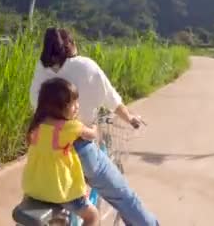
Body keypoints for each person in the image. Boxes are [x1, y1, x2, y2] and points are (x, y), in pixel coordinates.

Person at [29, 27, 159, 226]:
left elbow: (34, 103)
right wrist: (130, 118)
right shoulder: (86, 66)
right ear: (71, 44)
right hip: (80, 147)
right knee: (124, 197)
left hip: (45, 148)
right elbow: (112, 100)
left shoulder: (41, 67)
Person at [22, 77, 100, 226]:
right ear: (58, 106)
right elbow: (92, 135)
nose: (77, 106)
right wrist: (94, 126)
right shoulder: (70, 127)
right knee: (92, 216)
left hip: (33, 188)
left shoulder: (36, 126)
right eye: (73, 103)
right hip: (59, 191)